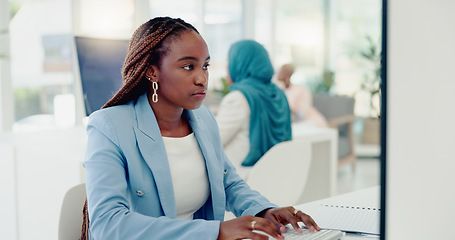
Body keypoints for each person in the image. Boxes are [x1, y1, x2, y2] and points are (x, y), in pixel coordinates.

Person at [81, 17, 320, 240]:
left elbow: (228, 183)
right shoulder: (109, 126)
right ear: (152, 71)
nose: (202, 79)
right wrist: (215, 232)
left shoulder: (202, 118)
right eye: (188, 67)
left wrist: (265, 210)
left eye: (205, 66)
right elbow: (107, 224)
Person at [216, 40, 292, 179]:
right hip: (275, 176)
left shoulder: (238, 98)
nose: (227, 67)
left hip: (240, 182)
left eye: (229, 61)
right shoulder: (279, 93)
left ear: (240, 63)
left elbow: (213, 142)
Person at [276, 64, 329, 128]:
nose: (278, 74)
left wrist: (292, 109)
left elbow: (302, 113)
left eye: (281, 72)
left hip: (309, 121)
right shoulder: (278, 89)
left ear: (289, 74)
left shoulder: (301, 89)